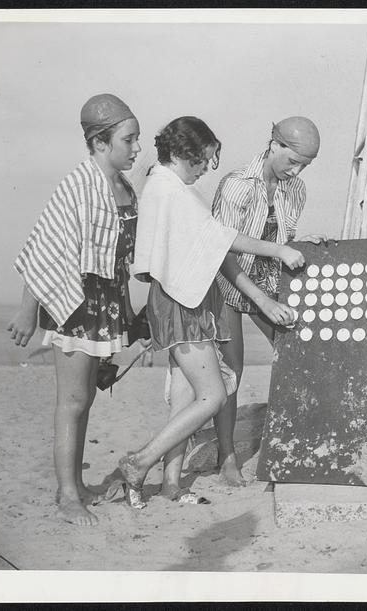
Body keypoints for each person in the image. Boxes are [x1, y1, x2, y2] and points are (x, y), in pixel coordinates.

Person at [114, 116, 304, 508]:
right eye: (203, 161)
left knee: (184, 399)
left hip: (181, 300)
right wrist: (279, 250)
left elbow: (209, 248)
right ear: (187, 153)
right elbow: (224, 240)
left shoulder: (163, 185)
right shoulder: (171, 191)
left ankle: (170, 483)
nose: (204, 171)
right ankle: (140, 462)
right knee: (213, 395)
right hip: (180, 303)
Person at [8, 94, 142, 526]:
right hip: (74, 303)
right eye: (129, 139)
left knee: (85, 403)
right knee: (72, 400)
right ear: (100, 142)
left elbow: (122, 260)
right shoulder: (77, 184)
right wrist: (28, 311)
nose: (136, 148)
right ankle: (67, 496)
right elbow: (45, 248)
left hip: (106, 304)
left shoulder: (123, 187)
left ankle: (78, 486)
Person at [210, 116, 326, 485]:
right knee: (231, 375)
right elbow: (222, 252)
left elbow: (278, 239)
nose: (297, 170)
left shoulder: (297, 189)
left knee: (300, 356)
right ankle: (227, 456)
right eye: (293, 161)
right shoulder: (236, 186)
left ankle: (296, 440)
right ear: (274, 144)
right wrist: (263, 301)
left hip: (269, 282)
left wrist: (307, 241)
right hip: (227, 283)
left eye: (305, 165)